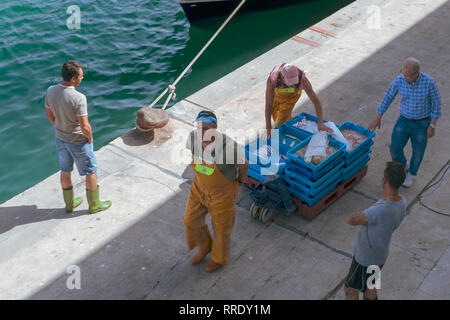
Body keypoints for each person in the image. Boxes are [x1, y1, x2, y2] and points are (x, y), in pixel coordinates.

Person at [184, 111, 249, 272]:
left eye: (206, 128)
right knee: (190, 221)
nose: (201, 132)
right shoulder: (193, 138)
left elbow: (244, 164)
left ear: (215, 128)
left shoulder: (230, 147)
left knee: (221, 228)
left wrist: (239, 181)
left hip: (222, 195)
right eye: (199, 127)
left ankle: (218, 259)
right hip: (199, 188)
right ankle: (205, 246)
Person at [45, 61, 111, 214]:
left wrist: (59, 127)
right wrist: (90, 138)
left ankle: (69, 204)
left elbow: (49, 114)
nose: (82, 78)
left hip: (60, 138)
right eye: (81, 76)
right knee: (91, 171)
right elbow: (84, 125)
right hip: (78, 141)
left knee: (65, 170)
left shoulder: (50, 90)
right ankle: (94, 205)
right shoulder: (78, 97)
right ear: (73, 79)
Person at [368, 57, 442, 187]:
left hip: (422, 123)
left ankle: (412, 173)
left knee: (418, 151)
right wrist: (378, 118)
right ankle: (402, 165)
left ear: (417, 74)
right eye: (403, 74)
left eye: (408, 76)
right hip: (404, 120)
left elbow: (436, 103)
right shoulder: (400, 80)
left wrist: (432, 125)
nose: (405, 78)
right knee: (395, 147)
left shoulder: (429, 82)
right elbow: (388, 97)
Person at [344, 161, 406, 300]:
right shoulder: (402, 202)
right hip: (379, 256)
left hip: (365, 259)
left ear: (385, 180)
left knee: (350, 289)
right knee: (370, 289)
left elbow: (351, 220)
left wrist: (362, 213)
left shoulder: (380, 210)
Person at [264, 63, 331, 138]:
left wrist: (320, 123)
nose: (292, 85)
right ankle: (289, 125)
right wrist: (268, 127)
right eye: (290, 83)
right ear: (282, 78)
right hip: (278, 94)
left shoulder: (303, 80)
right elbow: (269, 104)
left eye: (294, 83)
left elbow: (316, 102)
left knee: (281, 118)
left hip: (293, 95)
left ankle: (279, 138)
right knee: (275, 114)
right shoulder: (273, 80)